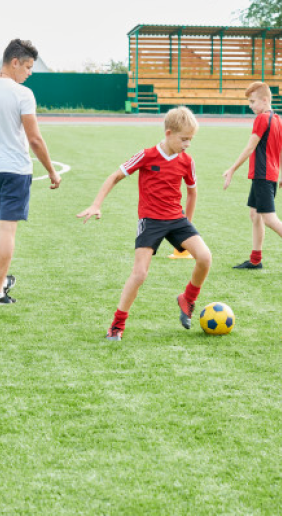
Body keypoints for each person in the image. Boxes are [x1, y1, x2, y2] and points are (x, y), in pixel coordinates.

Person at [77, 107, 211, 341]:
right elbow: (115, 176)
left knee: (205, 257)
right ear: (168, 133)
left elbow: (192, 193)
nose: (188, 144)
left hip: (177, 220)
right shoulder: (147, 155)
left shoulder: (187, 162)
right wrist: (96, 204)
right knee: (139, 274)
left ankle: (188, 298)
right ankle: (117, 325)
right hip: (151, 221)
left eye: (191, 139)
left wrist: (187, 227)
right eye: (184, 139)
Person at [0, 39, 61, 305]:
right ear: (15, 62)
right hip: (15, 170)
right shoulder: (22, 94)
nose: (29, 73)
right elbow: (35, 140)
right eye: (28, 67)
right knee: (8, 229)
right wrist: (52, 171)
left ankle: (1, 279)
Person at [223, 82, 282, 275]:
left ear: (265, 100)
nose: (250, 106)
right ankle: (255, 260)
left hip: (263, 175)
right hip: (269, 175)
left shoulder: (262, 119)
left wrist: (232, 169)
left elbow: (250, 147)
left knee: (269, 218)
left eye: (252, 101)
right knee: (255, 215)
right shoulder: (278, 120)